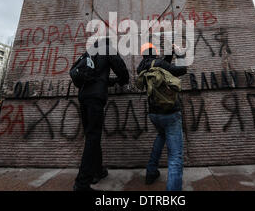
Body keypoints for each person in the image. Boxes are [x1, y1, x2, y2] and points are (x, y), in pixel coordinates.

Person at [73, 38, 130, 191]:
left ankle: (97, 171)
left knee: (92, 135)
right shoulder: (107, 49)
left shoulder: (89, 53)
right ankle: (82, 183)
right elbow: (120, 68)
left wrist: (111, 82)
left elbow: (97, 77)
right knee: (93, 136)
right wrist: (123, 80)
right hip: (95, 99)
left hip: (83, 97)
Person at [136, 43, 187, 191]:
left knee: (161, 135)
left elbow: (163, 68)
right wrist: (180, 54)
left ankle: (151, 172)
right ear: (155, 52)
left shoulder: (141, 68)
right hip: (170, 113)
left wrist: (169, 54)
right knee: (175, 157)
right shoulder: (160, 63)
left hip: (154, 114)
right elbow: (181, 70)